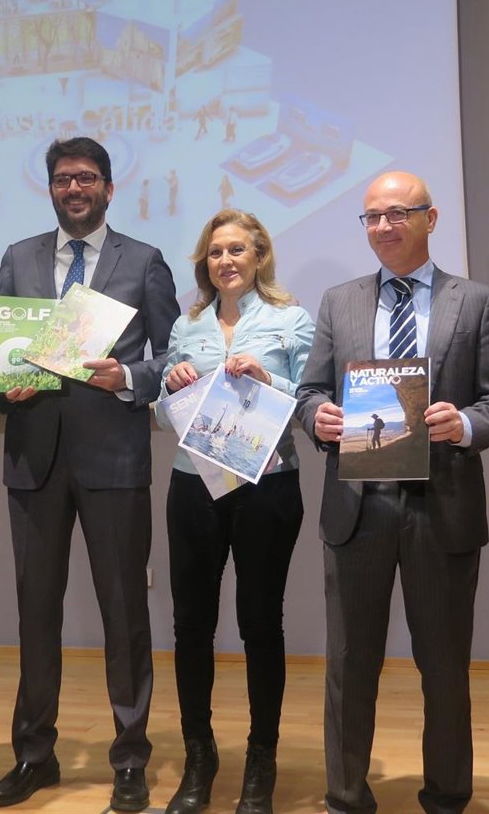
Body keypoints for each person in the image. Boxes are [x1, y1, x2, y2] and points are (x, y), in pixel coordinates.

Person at [296, 171, 489, 814]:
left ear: (431, 217)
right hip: (357, 507)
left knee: (445, 666)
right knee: (348, 663)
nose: (383, 226)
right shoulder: (339, 302)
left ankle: (448, 794)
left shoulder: (474, 300)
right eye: (371, 217)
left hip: (441, 506)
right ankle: (345, 795)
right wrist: (318, 418)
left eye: (397, 213)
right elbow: (311, 392)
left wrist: (470, 424)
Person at [0, 136, 180, 812]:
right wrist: (4, 385)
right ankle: (34, 754)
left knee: (124, 613)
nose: (75, 188)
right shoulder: (19, 257)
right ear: (51, 188)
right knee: (37, 613)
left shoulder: (143, 261)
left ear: (109, 189)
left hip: (114, 460)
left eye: (87, 178)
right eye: (64, 178)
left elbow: (174, 356)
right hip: (33, 461)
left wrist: (131, 375)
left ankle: (129, 760)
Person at [156, 210, 315, 814]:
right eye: (217, 252)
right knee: (190, 625)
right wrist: (169, 385)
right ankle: (199, 756)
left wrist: (267, 377)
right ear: (207, 261)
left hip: (268, 485)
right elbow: (160, 413)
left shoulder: (291, 319)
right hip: (193, 483)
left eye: (238, 251)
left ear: (258, 257)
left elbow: (311, 398)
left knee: (259, 623)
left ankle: (261, 759)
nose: (226, 260)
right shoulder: (187, 321)